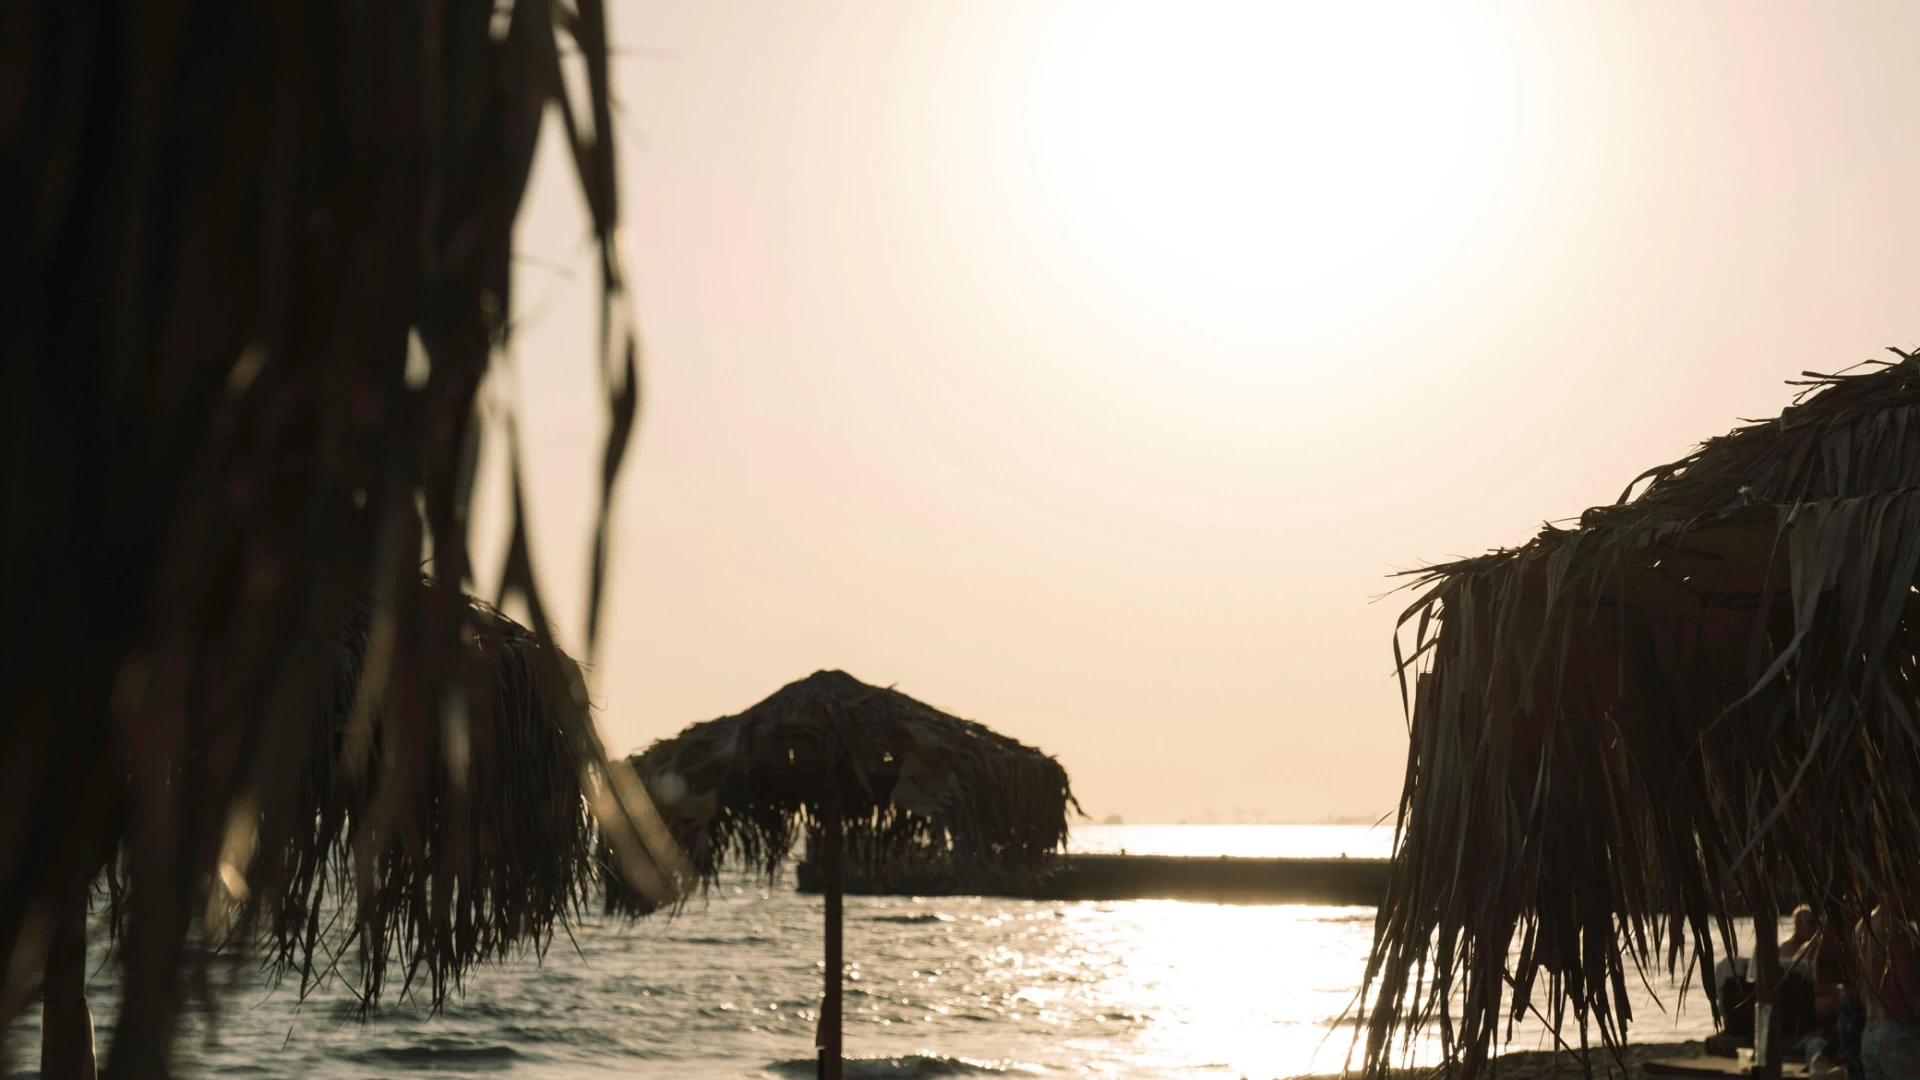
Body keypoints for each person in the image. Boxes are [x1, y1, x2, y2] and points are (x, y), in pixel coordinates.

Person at [1856, 898, 1920, 1080]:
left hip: (1871, 1031)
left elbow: (1860, 986)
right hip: (1900, 1035)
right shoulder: (1898, 931)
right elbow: (1912, 994)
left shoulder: (1863, 926)